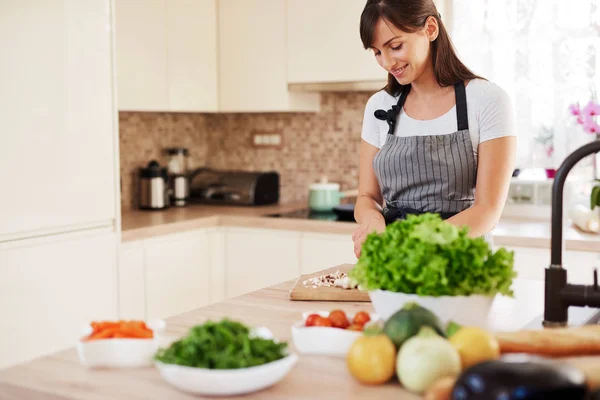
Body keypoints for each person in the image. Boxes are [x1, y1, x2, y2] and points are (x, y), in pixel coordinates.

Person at [352, 0, 517, 258]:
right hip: (395, 263)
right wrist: (372, 221)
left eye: (395, 46)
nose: (386, 63)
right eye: (377, 52)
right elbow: (367, 196)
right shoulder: (379, 105)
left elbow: (487, 211)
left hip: (461, 265)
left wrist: (416, 246)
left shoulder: (487, 100)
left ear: (430, 29)